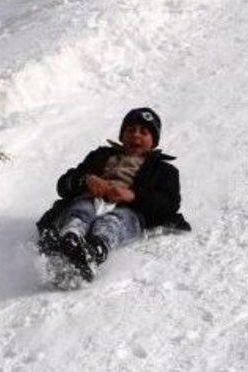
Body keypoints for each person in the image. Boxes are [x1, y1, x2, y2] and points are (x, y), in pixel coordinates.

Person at [36, 108, 190, 281]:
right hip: (91, 200)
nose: (136, 136)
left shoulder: (163, 170)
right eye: (130, 130)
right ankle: (69, 240)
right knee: (82, 210)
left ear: (154, 141)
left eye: (144, 132)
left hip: (129, 211)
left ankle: (94, 252)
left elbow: (169, 203)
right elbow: (63, 184)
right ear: (121, 135)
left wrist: (133, 196)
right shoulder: (100, 155)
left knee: (112, 222)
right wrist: (86, 180)